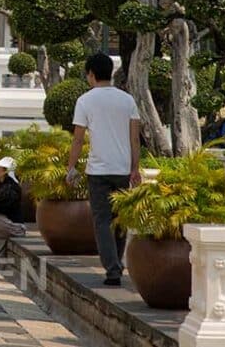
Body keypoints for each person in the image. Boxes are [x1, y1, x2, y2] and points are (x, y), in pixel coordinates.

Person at [67, 53, 142, 287]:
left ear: (91, 73)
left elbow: (78, 140)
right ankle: (116, 263)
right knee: (119, 220)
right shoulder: (127, 100)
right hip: (121, 168)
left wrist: (71, 167)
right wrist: (135, 168)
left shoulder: (85, 101)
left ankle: (112, 269)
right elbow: (135, 138)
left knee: (101, 220)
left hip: (98, 169)